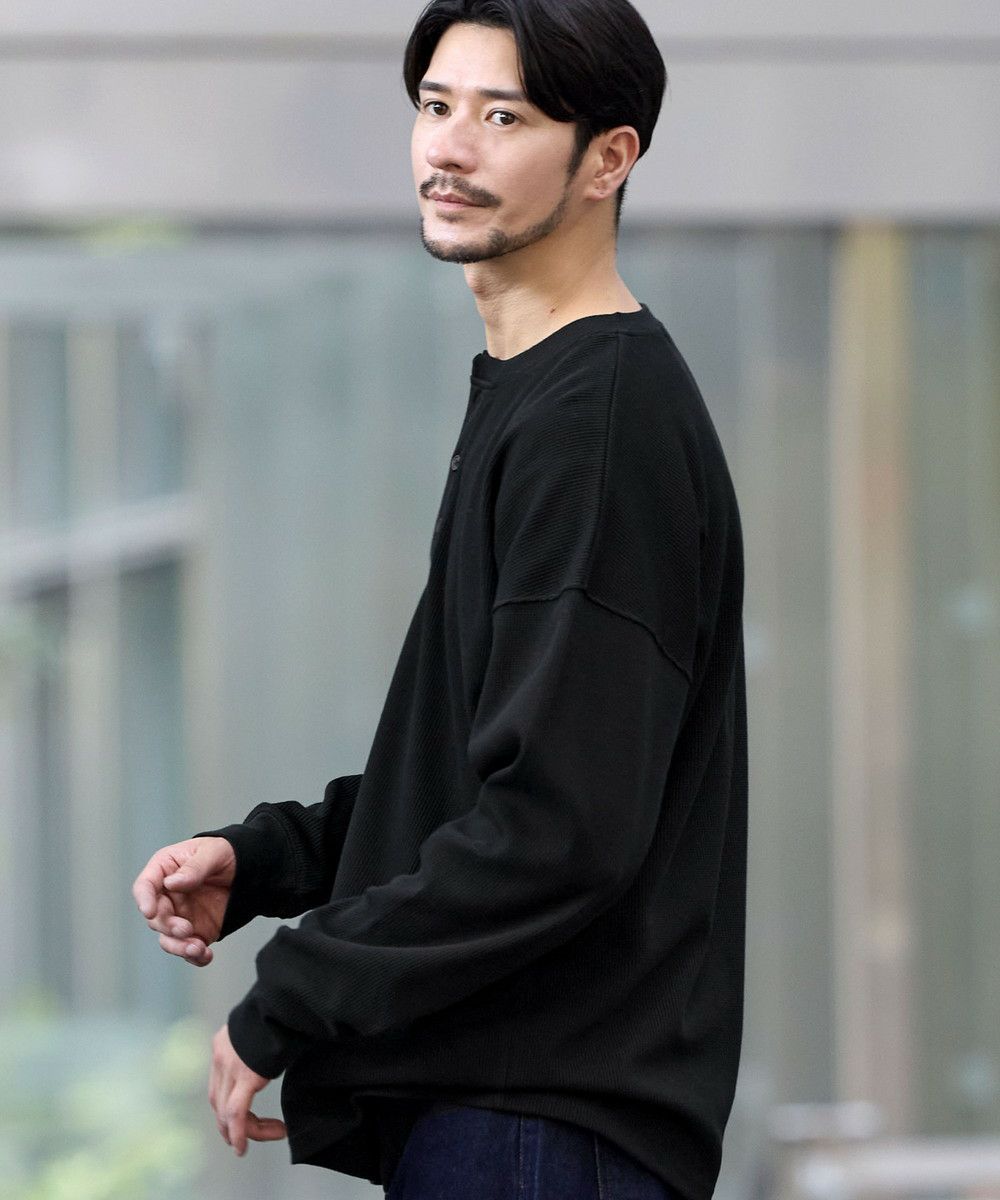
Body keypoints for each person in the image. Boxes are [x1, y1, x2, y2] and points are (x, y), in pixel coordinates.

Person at [132, 0, 748, 1197]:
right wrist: (265, 860)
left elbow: (558, 831)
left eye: (503, 118)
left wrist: (294, 991)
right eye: (434, 106)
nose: (449, 148)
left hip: (537, 1126)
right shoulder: (544, 393)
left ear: (608, 159)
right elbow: (491, 776)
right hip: (511, 1121)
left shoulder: (594, 423)